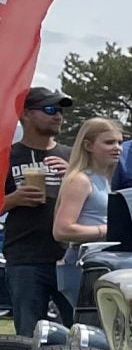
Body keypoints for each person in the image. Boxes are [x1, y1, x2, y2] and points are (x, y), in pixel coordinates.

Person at [5, 88, 72, 335]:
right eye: (50, 109)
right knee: (29, 334)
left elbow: (95, 201)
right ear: (26, 115)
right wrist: (12, 199)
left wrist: (74, 177)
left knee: (79, 331)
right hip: (25, 258)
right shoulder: (9, 156)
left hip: (68, 258)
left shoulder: (70, 155)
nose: (58, 116)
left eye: (60, 111)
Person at [48, 117, 121, 312]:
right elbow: (62, 230)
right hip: (81, 262)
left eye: (119, 142)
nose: (117, 148)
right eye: (109, 142)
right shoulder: (80, 180)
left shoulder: (103, 179)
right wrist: (107, 230)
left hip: (97, 261)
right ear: (88, 145)